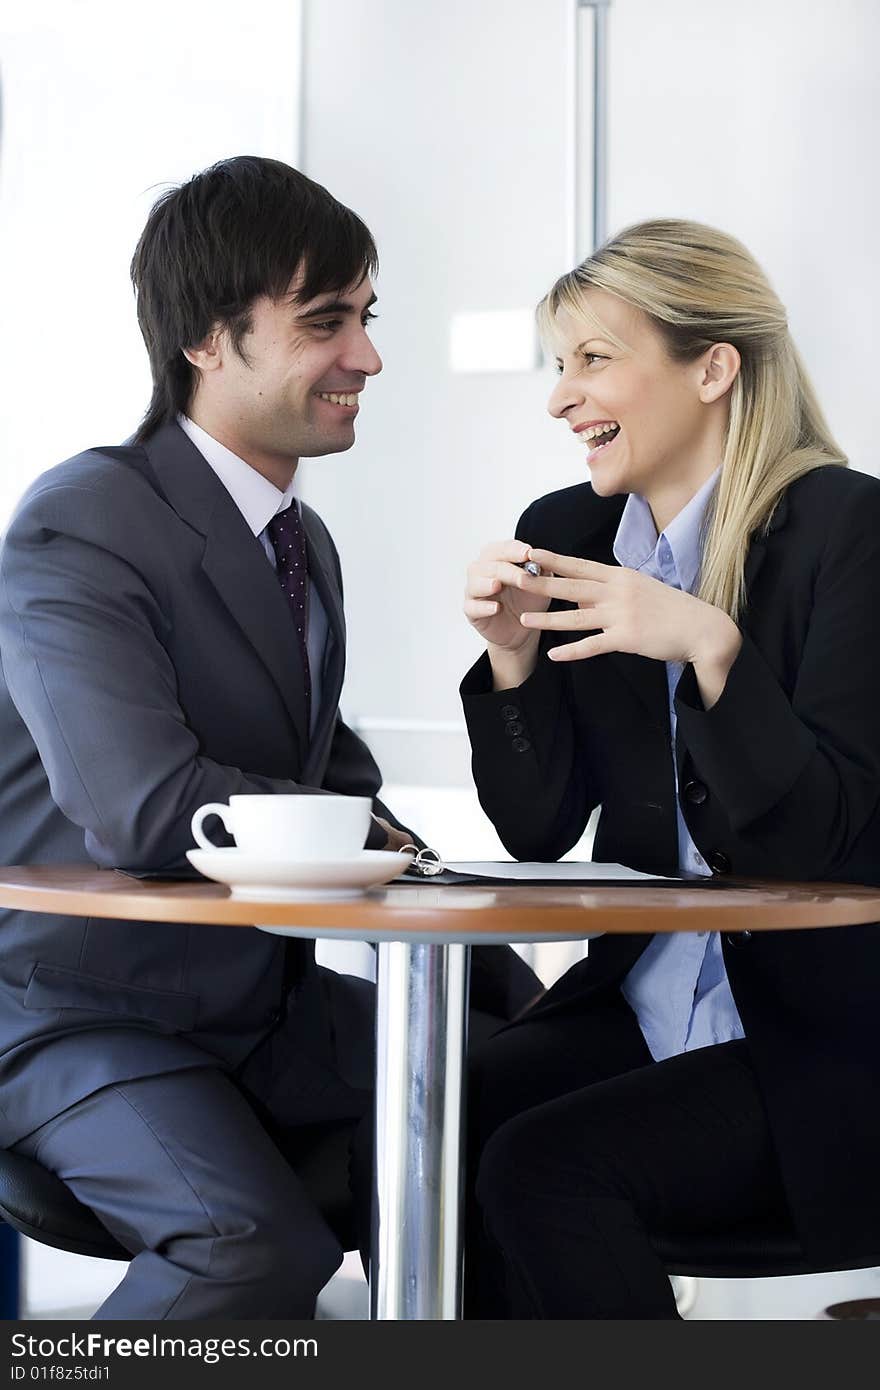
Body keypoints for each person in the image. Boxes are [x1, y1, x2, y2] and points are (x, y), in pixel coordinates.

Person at [0, 155, 537, 1319]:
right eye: (325, 322)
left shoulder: (299, 544)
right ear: (207, 338)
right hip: (77, 1008)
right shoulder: (80, 524)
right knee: (248, 1246)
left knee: (536, 1090)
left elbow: (337, 780)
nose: (368, 357)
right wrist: (364, 834)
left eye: (366, 317)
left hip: (258, 1006)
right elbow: (145, 808)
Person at [459, 218, 880, 1318]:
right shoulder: (568, 532)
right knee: (436, 1118)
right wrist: (511, 665)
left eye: (593, 359)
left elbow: (822, 844)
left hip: (818, 1040)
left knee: (540, 1166)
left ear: (712, 366)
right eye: (560, 364)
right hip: (641, 1001)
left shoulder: (848, 530)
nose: (561, 399)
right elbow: (538, 827)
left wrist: (708, 647)